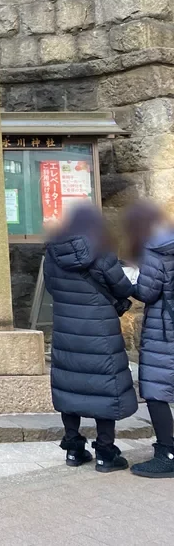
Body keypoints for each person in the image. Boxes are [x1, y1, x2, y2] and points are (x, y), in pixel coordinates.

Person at [44, 204, 137, 472]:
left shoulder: (52, 250)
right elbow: (121, 285)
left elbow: (52, 286)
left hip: (67, 330)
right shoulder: (101, 248)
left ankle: (73, 449)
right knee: (104, 388)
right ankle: (105, 454)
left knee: (70, 385)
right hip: (100, 331)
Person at [124, 200, 174, 478]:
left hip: (164, 329)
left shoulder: (156, 248)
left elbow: (148, 291)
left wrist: (130, 282)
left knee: (157, 391)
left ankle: (166, 453)